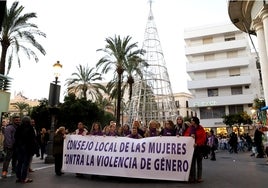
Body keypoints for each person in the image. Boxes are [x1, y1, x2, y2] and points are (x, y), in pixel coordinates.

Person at [14, 116, 37, 183]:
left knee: (19, 163)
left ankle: (19, 177)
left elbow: (15, 137)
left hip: (19, 147)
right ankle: (24, 178)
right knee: (26, 163)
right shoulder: (30, 128)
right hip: (27, 148)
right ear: (29, 121)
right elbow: (32, 139)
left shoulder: (19, 127)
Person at [188, 117, 207, 183]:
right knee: (192, 164)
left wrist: (197, 143)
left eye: (192, 120)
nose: (191, 122)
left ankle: (199, 177)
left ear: (195, 121)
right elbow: (186, 135)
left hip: (199, 148)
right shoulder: (190, 128)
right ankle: (192, 177)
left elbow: (203, 138)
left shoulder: (201, 128)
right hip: (192, 148)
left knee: (199, 163)